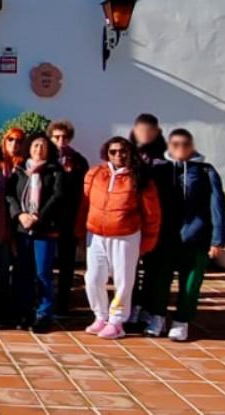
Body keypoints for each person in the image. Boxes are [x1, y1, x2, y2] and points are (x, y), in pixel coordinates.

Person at [143, 128, 225, 341]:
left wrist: (218, 239)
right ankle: (158, 317)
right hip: (164, 237)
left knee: (190, 284)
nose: (180, 148)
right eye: (175, 144)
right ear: (169, 147)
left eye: (185, 144)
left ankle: (182, 321)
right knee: (159, 281)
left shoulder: (205, 171)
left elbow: (217, 206)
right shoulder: (159, 170)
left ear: (192, 146)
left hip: (195, 238)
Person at [82, 136, 161, 340]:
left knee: (123, 280)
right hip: (96, 234)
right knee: (93, 278)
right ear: (106, 153)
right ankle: (100, 315)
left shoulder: (140, 177)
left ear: (130, 153)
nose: (118, 155)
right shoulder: (95, 174)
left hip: (126, 235)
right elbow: (85, 204)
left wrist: (148, 240)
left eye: (122, 151)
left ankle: (117, 321)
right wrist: (79, 231)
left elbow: (152, 213)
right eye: (113, 151)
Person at [6, 135, 64, 332]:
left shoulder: (55, 171)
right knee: (23, 272)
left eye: (43, 146)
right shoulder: (20, 170)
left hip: (44, 229)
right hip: (23, 228)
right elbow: (10, 195)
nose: (39, 149)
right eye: (35, 145)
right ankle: (24, 312)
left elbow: (58, 197)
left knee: (43, 273)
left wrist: (38, 217)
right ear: (29, 148)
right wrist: (20, 215)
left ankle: (43, 315)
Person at [128, 113, 172, 329]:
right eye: (141, 129)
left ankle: (152, 311)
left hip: (157, 225)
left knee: (155, 270)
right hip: (131, 225)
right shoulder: (127, 159)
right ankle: (132, 308)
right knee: (130, 270)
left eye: (149, 130)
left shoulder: (164, 164)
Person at [45, 120, 89, 315]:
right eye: (56, 137)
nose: (60, 141)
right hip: (46, 218)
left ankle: (63, 303)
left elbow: (84, 192)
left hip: (68, 219)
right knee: (44, 263)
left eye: (64, 137)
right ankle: (43, 301)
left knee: (66, 263)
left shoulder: (78, 161)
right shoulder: (44, 157)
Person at [0, 126, 25, 321]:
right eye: (11, 140)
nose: (14, 144)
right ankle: (2, 304)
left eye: (18, 141)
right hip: (1, 217)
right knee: (3, 264)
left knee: (20, 263)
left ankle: (19, 304)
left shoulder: (26, 163)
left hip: (20, 220)